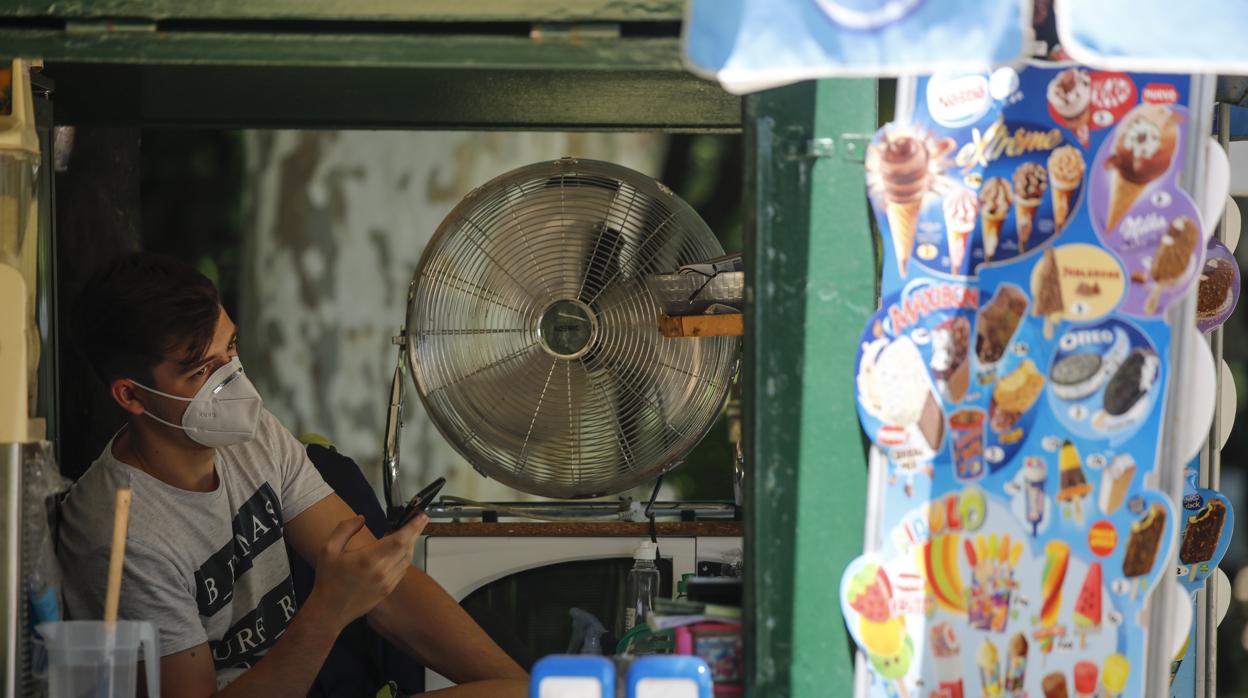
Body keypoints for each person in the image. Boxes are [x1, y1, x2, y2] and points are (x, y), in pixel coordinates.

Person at [58, 253, 528, 697]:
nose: (233, 385)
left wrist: (518, 687)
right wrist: (328, 610)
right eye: (202, 371)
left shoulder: (252, 436)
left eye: (232, 349)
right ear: (131, 397)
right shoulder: (121, 533)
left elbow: (385, 592)